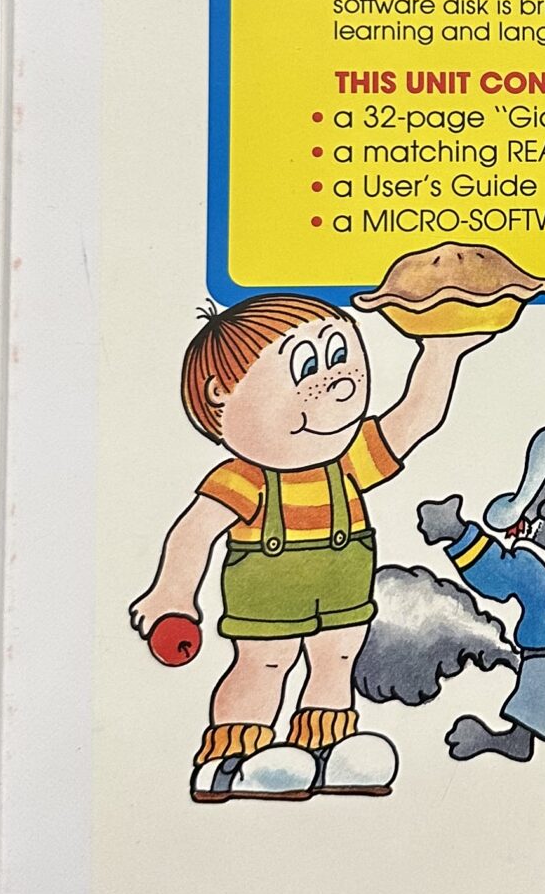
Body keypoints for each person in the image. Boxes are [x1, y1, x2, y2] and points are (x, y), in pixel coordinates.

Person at [129, 295, 484, 803]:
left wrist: (442, 352)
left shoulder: (350, 461)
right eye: (307, 366)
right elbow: (195, 531)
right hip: (268, 600)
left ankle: (324, 749)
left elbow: (416, 417)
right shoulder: (245, 478)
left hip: (342, 594)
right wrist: (173, 595)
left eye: (341, 356)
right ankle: (229, 761)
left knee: (336, 658)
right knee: (267, 665)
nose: (338, 383)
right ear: (221, 395)